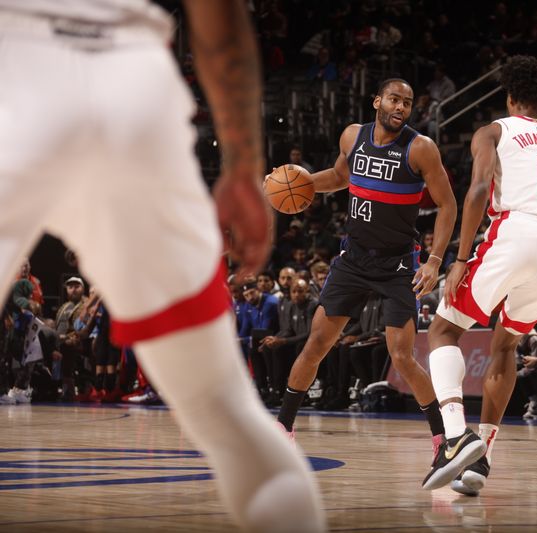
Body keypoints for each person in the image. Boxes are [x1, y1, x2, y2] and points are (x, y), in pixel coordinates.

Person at [0, 2, 324, 531]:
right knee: (231, 421)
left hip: (13, 60)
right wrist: (243, 168)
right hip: (130, 76)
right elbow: (219, 14)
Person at [424, 55, 537, 494]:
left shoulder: (494, 130)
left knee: (443, 331)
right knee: (506, 343)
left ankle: (454, 439)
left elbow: (480, 191)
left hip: (513, 231)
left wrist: (462, 257)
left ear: (510, 97)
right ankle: (479, 461)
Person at [274, 78, 457, 470]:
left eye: (407, 102)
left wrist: (435, 260)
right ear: (377, 100)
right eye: (394, 99)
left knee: (402, 356)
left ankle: (444, 441)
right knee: (316, 344)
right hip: (353, 259)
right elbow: (339, 179)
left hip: (397, 264)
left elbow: (447, 205)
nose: (401, 107)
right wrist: (297, 184)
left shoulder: (420, 148)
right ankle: (282, 430)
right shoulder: (352, 137)